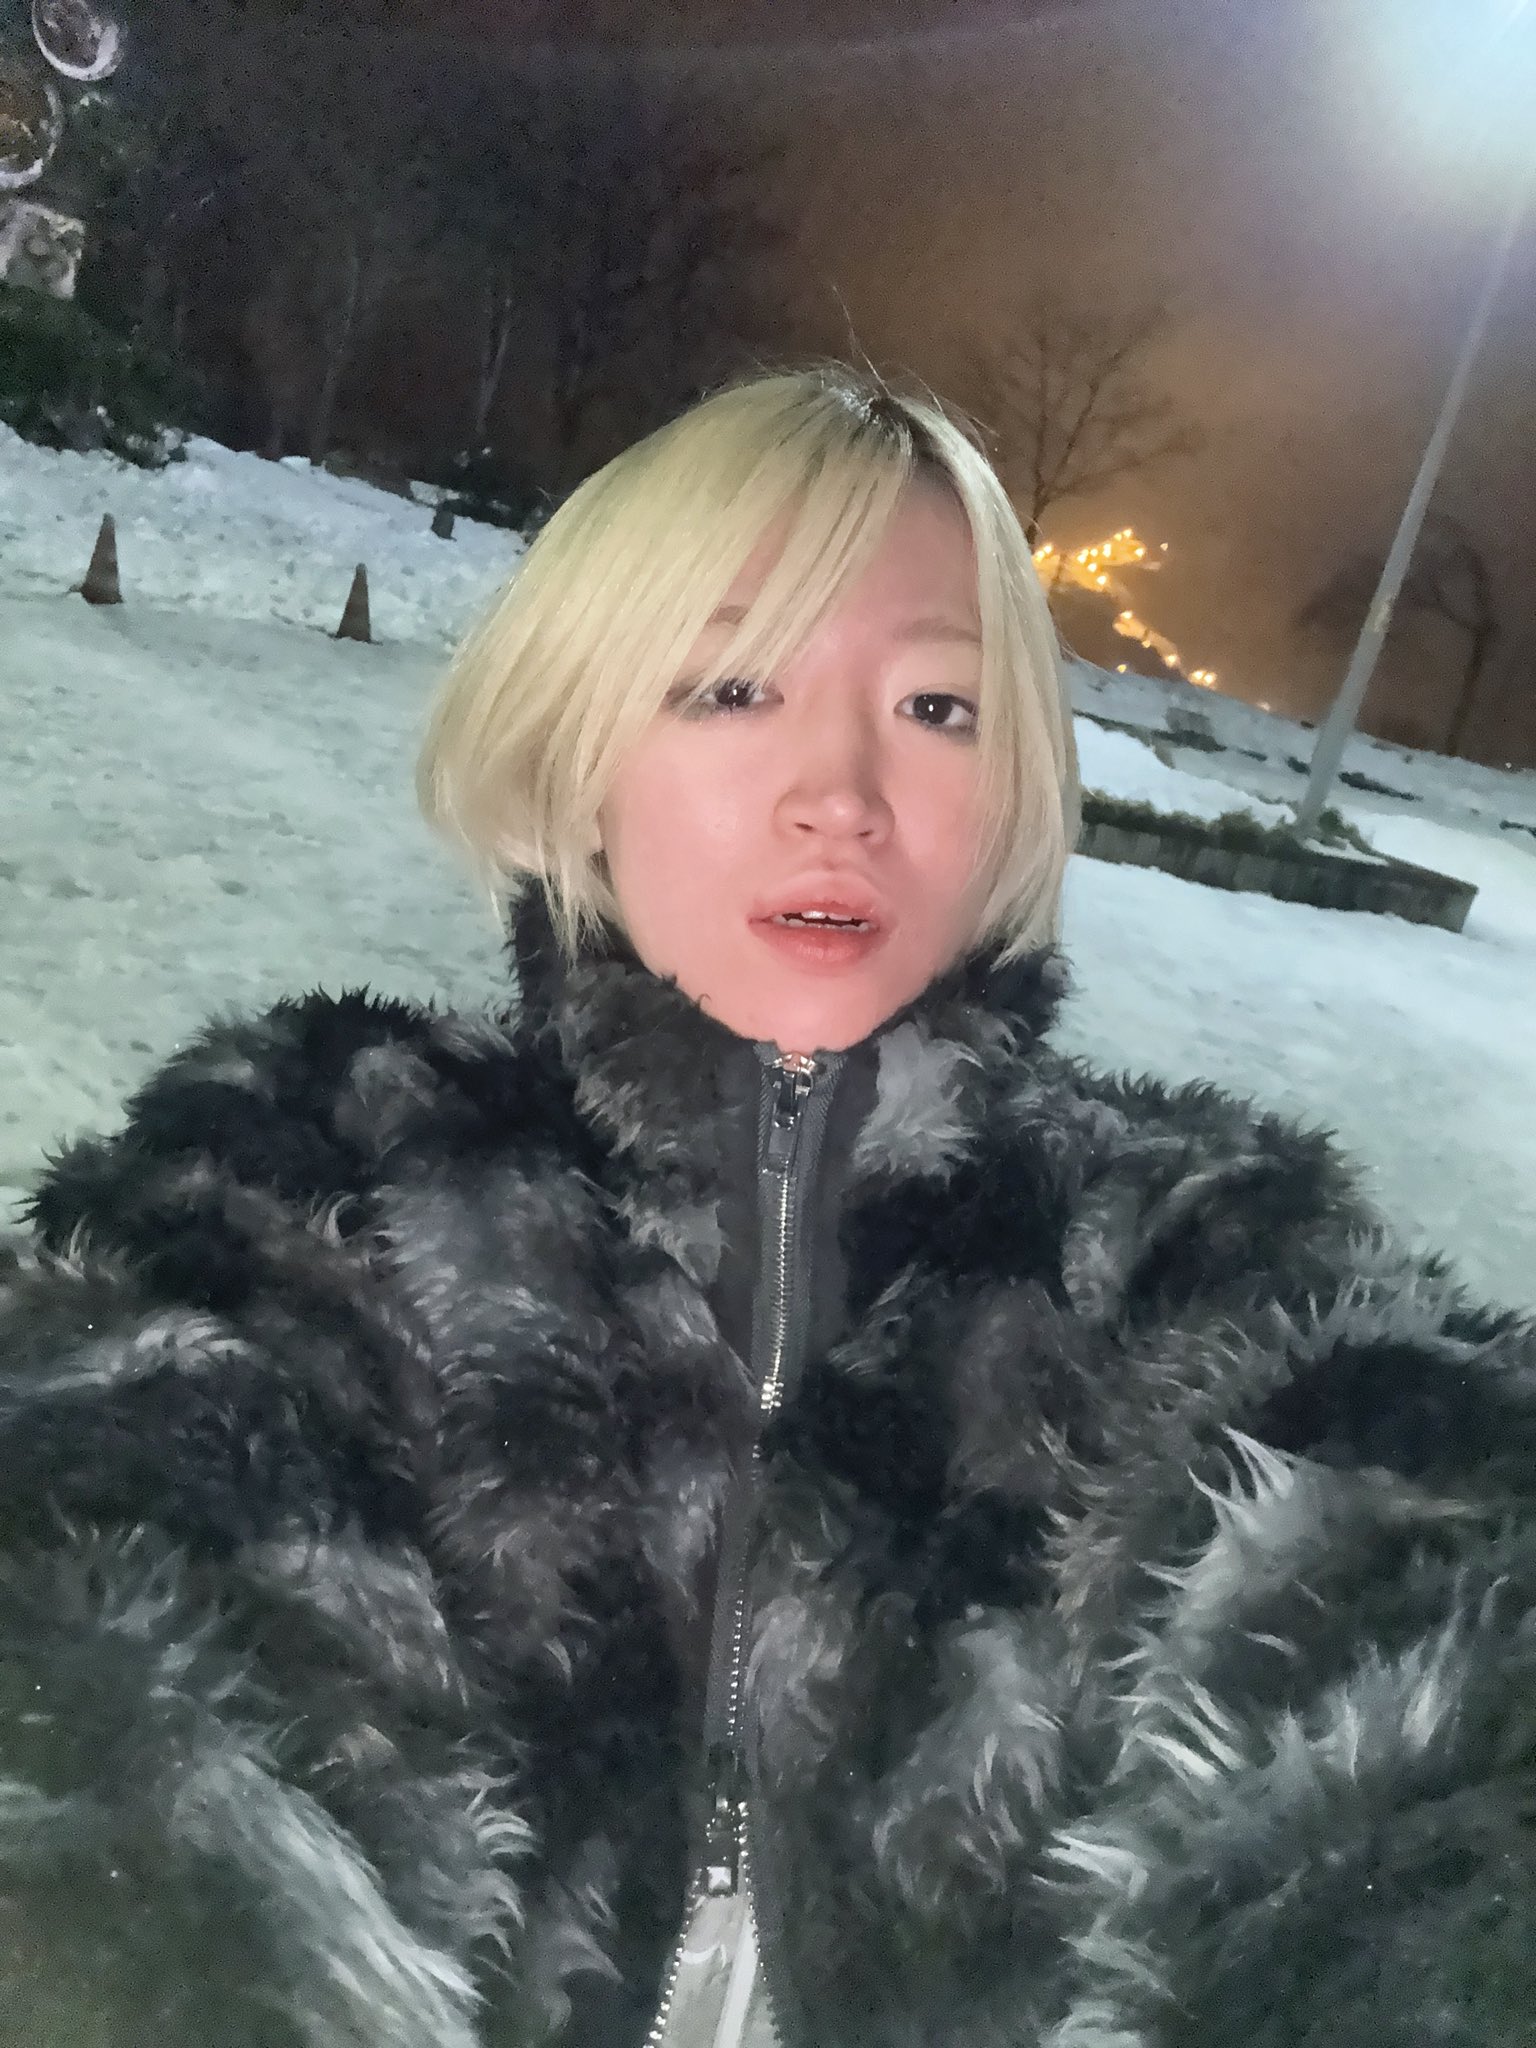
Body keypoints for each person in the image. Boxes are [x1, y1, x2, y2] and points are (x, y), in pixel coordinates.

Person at [2, 366, 1533, 2048]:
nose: (843, 792)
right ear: (577, 754)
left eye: (938, 707)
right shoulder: (312, 1175)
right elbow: (98, 1630)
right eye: (734, 686)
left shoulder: (1178, 1248)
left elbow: (1441, 1631)